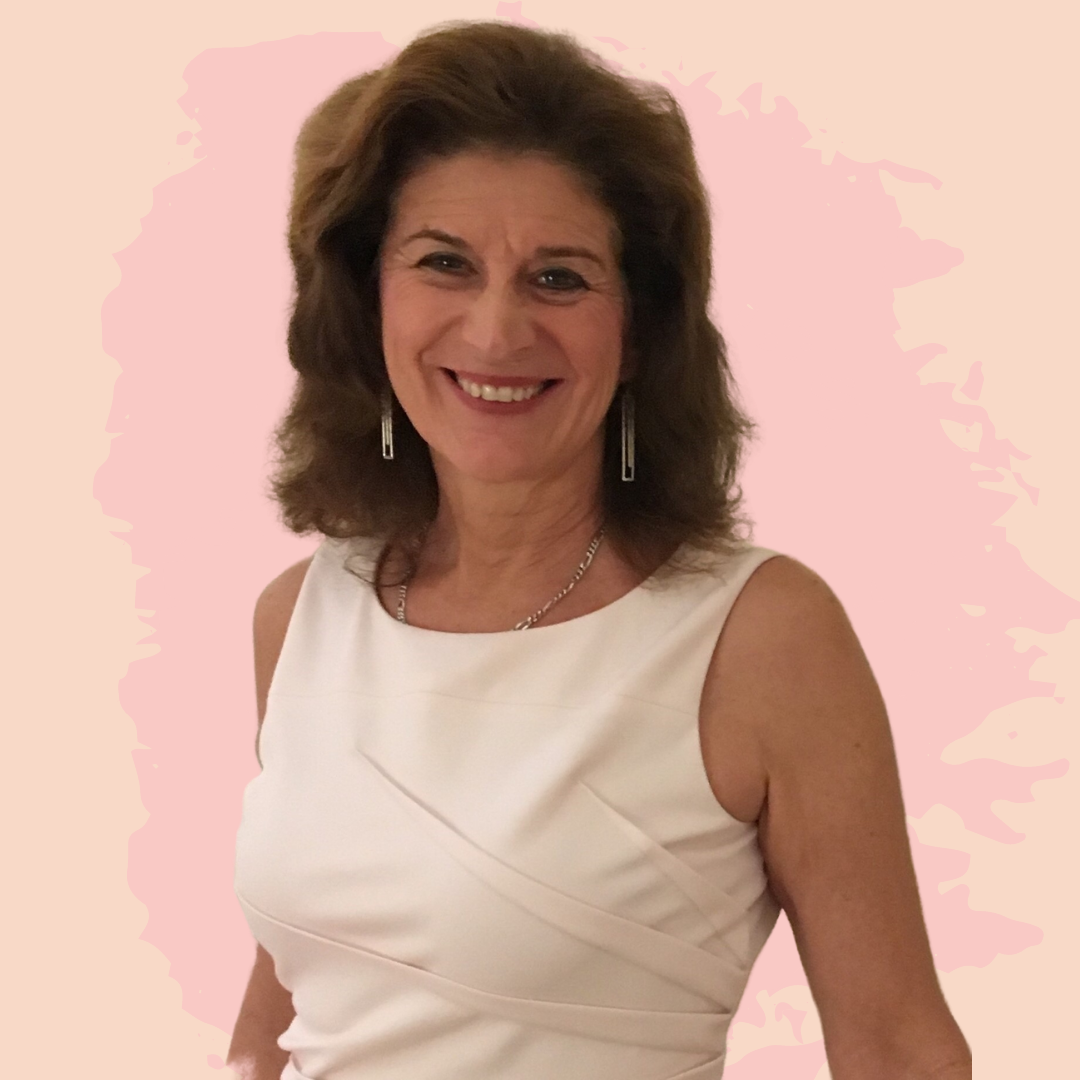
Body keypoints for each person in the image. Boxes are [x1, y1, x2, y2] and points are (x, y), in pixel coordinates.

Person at [229, 19, 971, 1080]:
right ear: (367, 299)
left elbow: (897, 1047)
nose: (496, 331)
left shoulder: (759, 639)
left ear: (639, 332)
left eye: (560, 278)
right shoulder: (304, 615)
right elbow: (299, 1003)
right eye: (444, 263)